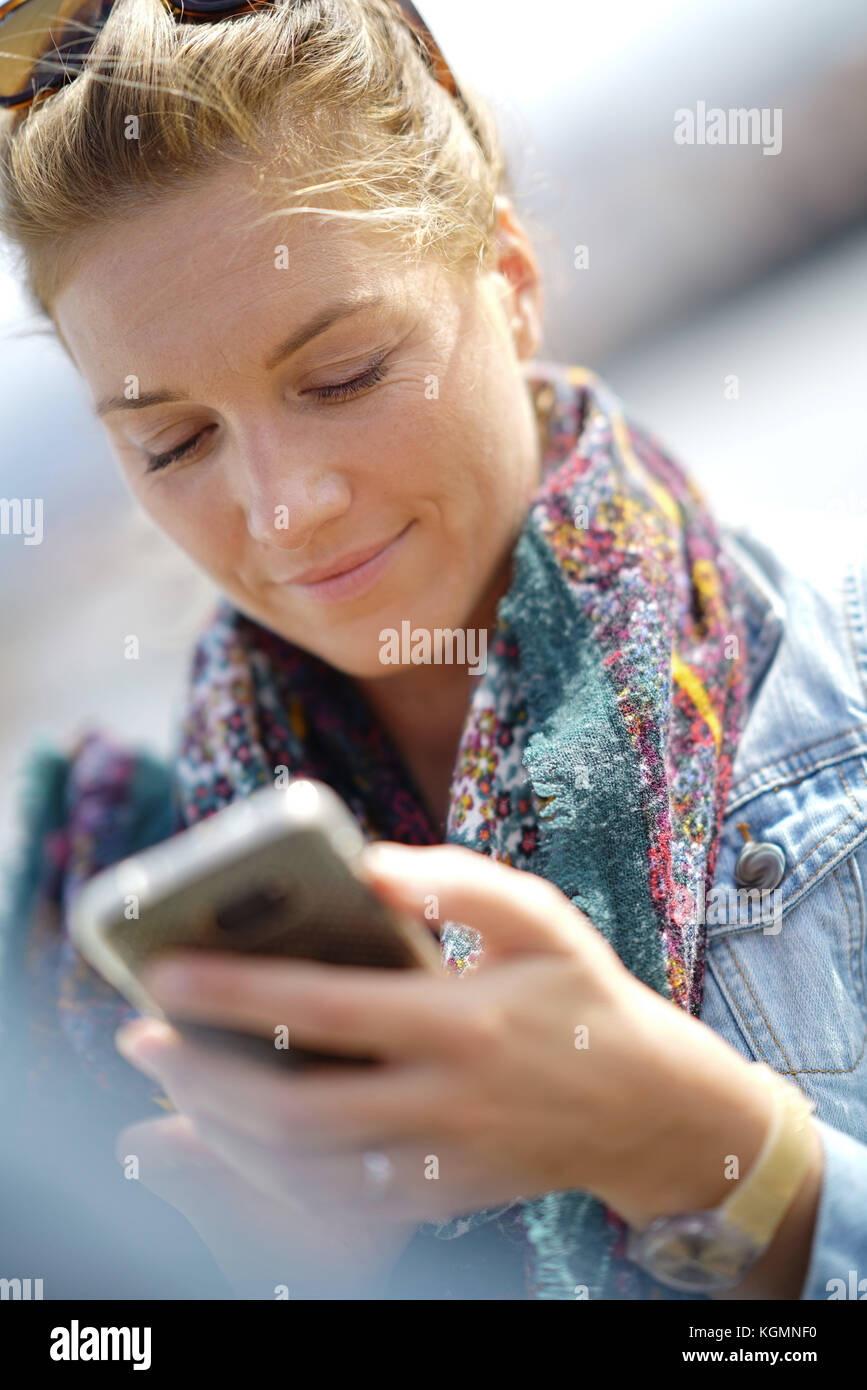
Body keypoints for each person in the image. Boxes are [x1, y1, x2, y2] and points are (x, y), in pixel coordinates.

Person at [1, 0, 865, 1303]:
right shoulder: (96, 930)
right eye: (174, 443)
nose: (284, 505)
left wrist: (708, 1147)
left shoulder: (842, 696)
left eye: (342, 373)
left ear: (511, 279)